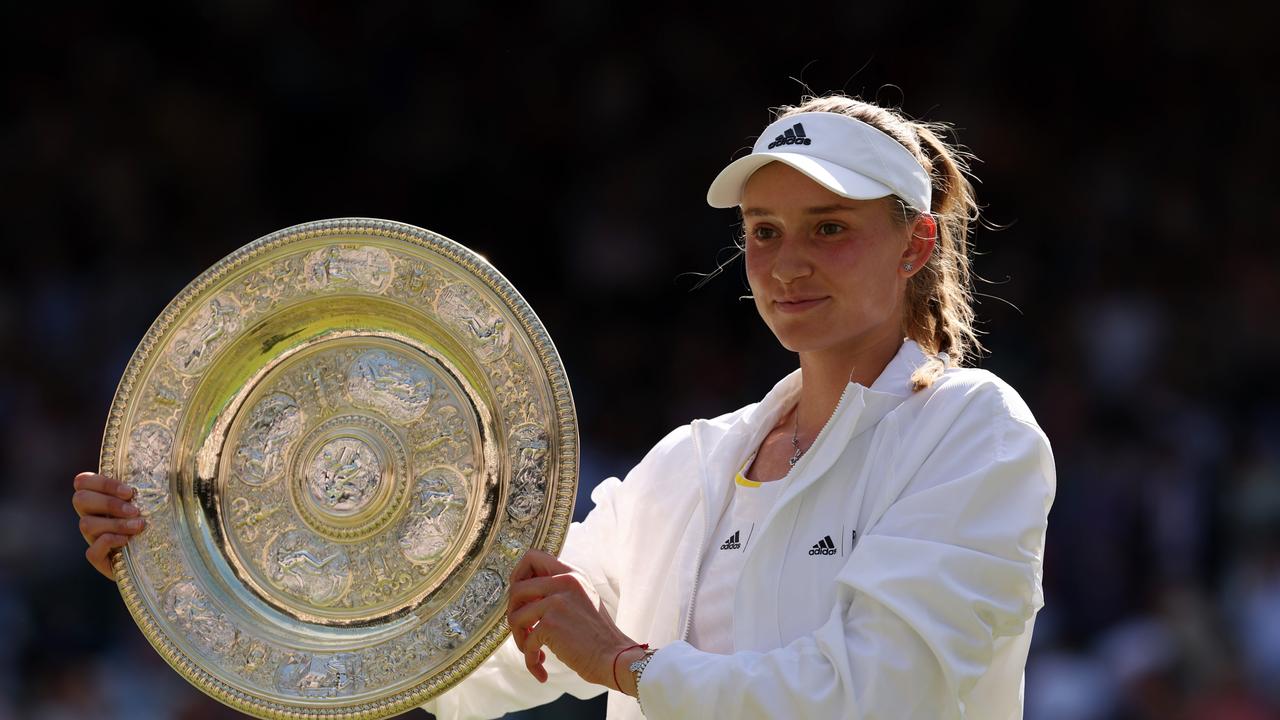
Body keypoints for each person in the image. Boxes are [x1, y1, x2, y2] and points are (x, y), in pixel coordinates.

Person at [72, 93, 1056, 719]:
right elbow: (481, 653)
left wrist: (626, 664)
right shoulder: (687, 465)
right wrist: (189, 548)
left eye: (828, 228)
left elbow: (880, 695)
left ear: (915, 245)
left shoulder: (971, 433)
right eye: (762, 231)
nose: (785, 263)